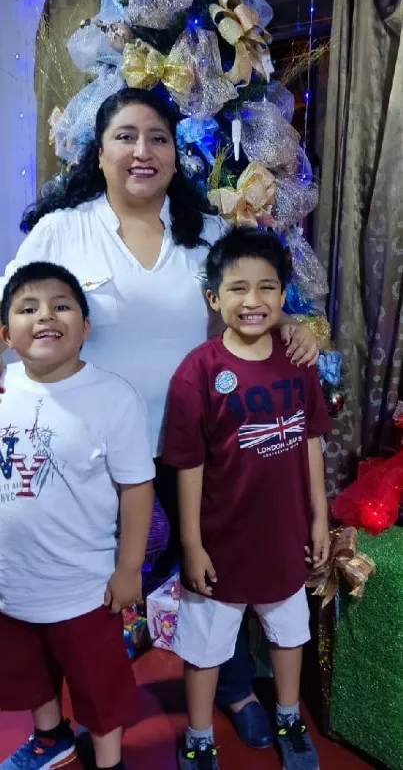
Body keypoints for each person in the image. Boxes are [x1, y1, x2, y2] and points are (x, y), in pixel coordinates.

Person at [0, 88, 319, 748]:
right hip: (88, 452)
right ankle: (79, 716)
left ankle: (230, 689)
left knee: (216, 576)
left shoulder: (206, 234)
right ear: (101, 150)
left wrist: (293, 328)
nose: (141, 151)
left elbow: (249, 297)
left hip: (202, 449)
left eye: (158, 138)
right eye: (125, 136)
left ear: (177, 155)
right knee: (89, 589)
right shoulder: (64, 229)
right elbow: (21, 315)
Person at [163, 227, 331, 770]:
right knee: (205, 646)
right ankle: (197, 735)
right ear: (214, 298)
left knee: (289, 634)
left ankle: (288, 717)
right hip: (223, 542)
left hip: (285, 538)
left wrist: (319, 521)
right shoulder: (198, 373)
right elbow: (188, 464)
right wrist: (192, 543)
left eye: (267, 288)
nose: (253, 301)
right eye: (237, 289)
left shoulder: (297, 362)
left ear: (283, 296)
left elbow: (310, 443)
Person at [0, 261, 155, 770]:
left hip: (84, 587)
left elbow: (136, 489)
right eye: (28, 308)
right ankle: (51, 737)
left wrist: (129, 568)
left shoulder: (113, 397)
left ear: (85, 328)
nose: (46, 315)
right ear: (6, 334)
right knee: (26, 672)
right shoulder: (4, 391)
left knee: (100, 688)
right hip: (10, 582)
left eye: (61, 305)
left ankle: (109, 761)